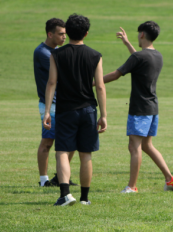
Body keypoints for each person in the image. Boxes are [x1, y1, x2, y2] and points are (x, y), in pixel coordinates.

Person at [99, 22, 173, 193]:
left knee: (134, 146)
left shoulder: (139, 58)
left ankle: (132, 186)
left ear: (142, 34)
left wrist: (93, 83)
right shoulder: (157, 55)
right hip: (152, 108)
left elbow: (116, 74)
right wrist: (128, 44)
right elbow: (139, 60)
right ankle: (170, 179)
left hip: (139, 109)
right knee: (147, 145)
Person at [43, 14, 107, 206]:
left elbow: (52, 82)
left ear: (67, 32)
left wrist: (47, 111)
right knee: (86, 153)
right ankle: (85, 198)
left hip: (65, 110)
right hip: (88, 110)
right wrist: (103, 115)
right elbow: (101, 87)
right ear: (86, 34)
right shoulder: (95, 55)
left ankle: (65, 194)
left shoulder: (56, 54)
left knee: (62, 151)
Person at [33, 18, 76, 187]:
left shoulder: (57, 50)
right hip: (51, 105)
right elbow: (65, 72)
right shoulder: (43, 52)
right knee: (48, 142)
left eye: (65, 34)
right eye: (60, 34)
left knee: (71, 141)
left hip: (65, 103)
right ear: (50, 34)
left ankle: (60, 177)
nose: (64, 37)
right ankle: (43, 180)